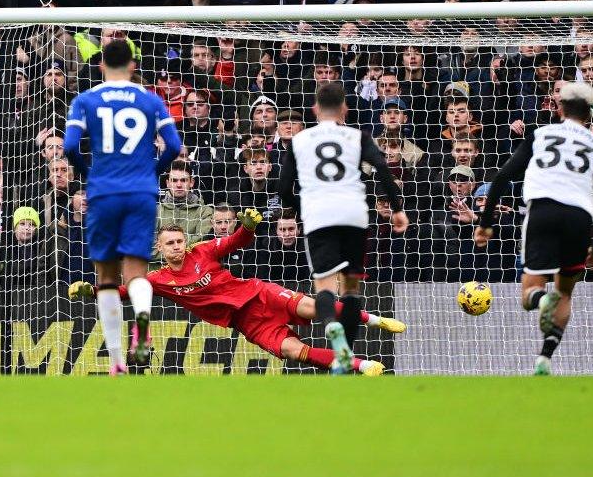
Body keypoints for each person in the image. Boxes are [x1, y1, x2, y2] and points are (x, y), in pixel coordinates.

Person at [68, 219, 403, 375]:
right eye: (169, 243)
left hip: (258, 294)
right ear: (159, 248)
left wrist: (247, 227)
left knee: (314, 307)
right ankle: (363, 365)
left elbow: (234, 242)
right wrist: (93, 290)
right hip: (246, 321)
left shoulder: (203, 251)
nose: (176, 247)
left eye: (179, 241)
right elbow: (127, 292)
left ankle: (375, 320)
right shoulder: (158, 279)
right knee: (293, 351)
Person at [476, 82, 593, 376]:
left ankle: (541, 299)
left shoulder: (540, 134)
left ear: (560, 107)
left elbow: (502, 177)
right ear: (589, 115)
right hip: (579, 217)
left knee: (530, 294)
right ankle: (545, 357)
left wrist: (486, 223)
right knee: (565, 292)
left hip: (542, 211)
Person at [62, 40, 182, 375]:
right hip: (141, 191)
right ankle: (141, 326)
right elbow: (173, 145)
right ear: (132, 66)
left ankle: (116, 361)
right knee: (137, 272)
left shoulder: (86, 100)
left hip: (103, 191)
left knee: (106, 277)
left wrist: (89, 173)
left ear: (101, 66)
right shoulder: (151, 99)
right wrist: (151, 172)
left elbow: (70, 145)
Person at [278, 82, 408, 373]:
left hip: (319, 216)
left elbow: (284, 188)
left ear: (314, 109)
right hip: (354, 215)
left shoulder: (299, 140)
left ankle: (332, 330)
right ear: (344, 109)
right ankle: (346, 353)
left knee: (324, 286)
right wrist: (397, 209)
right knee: (350, 288)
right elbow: (384, 170)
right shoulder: (357, 136)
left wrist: (302, 210)